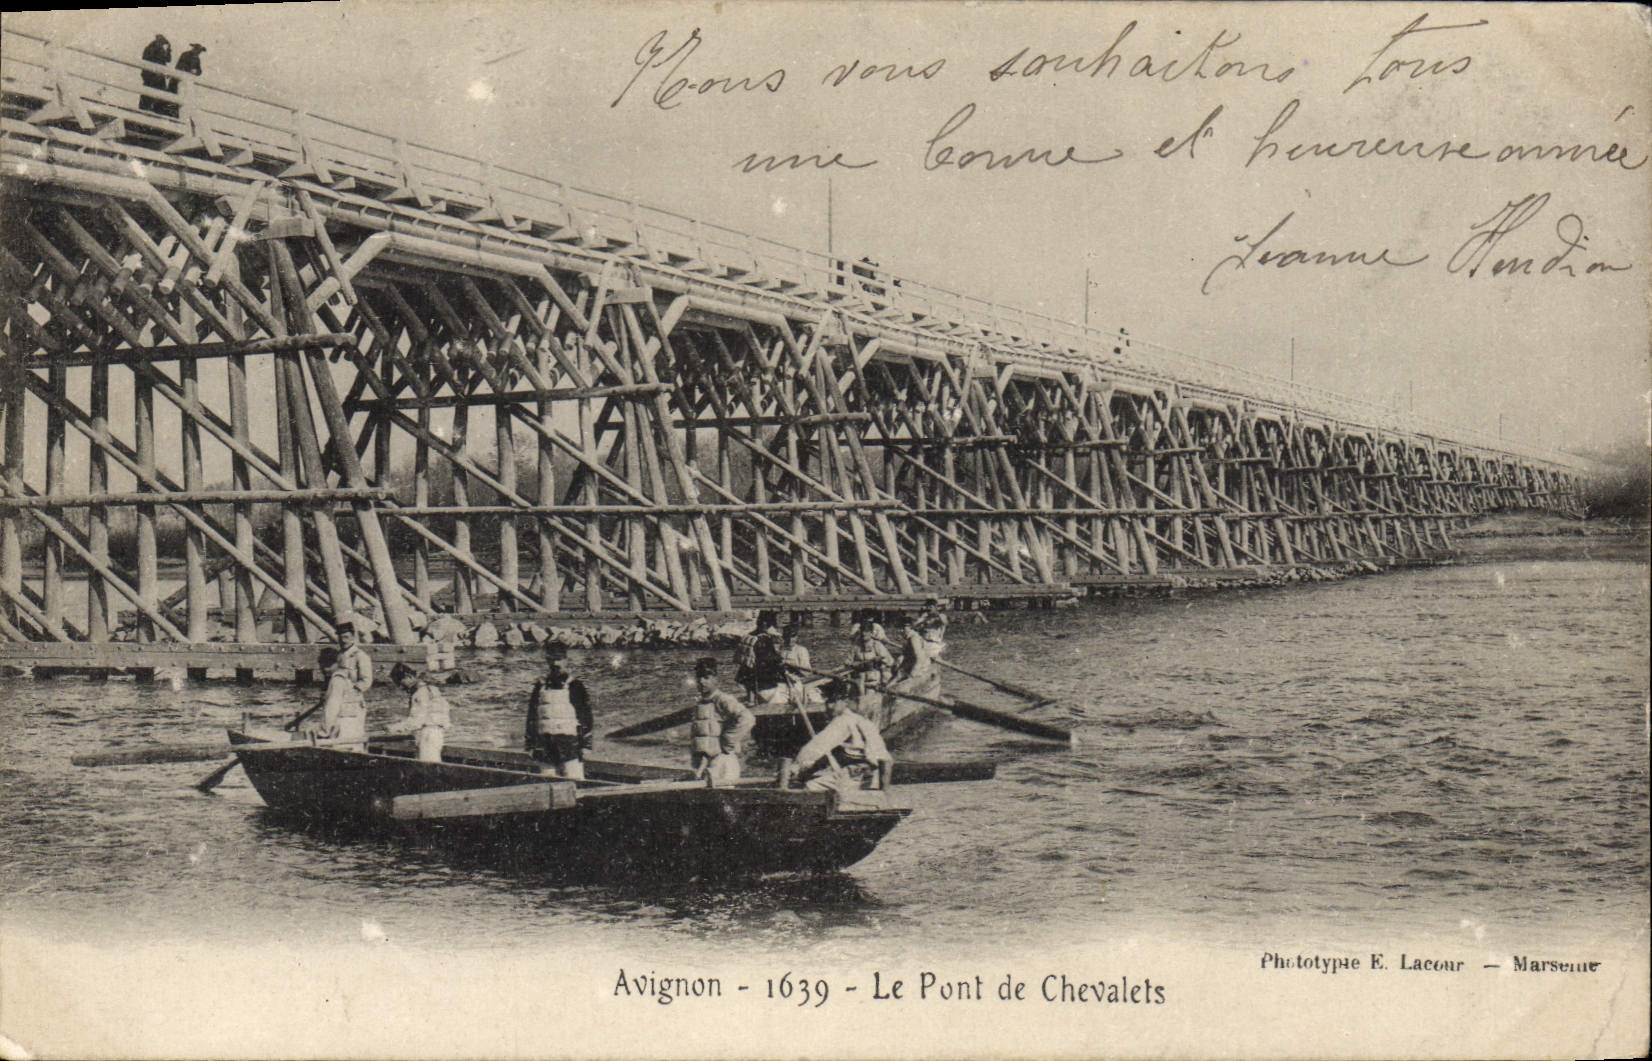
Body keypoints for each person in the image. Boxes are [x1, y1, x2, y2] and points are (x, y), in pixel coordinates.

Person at [778, 687, 894, 797]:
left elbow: (816, 748)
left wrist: (795, 768)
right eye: (827, 702)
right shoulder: (864, 721)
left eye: (833, 702)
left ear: (845, 702)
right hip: (875, 777)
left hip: (855, 776)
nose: (828, 707)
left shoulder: (843, 720)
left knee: (809, 788)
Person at [525, 643, 592, 779]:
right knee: (547, 782)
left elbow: (586, 716)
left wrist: (586, 745)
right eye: (552, 659)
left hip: (569, 745)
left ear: (566, 660)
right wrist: (530, 744)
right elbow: (531, 716)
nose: (556, 663)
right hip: (544, 744)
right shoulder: (540, 686)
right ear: (547, 661)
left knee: (574, 782)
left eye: (559, 659)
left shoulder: (575, 686)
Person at [690, 657, 754, 786]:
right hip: (706, 763)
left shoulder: (723, 699)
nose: (701, 682)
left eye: (706, 678)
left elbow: (747, 718)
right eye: (699, 678)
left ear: (716, 679)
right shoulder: (699, 703)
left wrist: (728, 740)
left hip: (723, 760)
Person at [317, 618, 373, 751]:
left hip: (352, 700)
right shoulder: (339, 655)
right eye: (341, 637)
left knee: (349, 732)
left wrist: (351, 691)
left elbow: (366, 681)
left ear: (353, 637)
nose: (343, 640)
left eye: (346, 637)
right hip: (339, 694)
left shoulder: (360, 656)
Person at [389, 663, 451, 763]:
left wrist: (395, 728)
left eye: (400, 683)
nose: (400, 687)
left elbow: (416, 721)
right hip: (438, 732)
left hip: (426, 735)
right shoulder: (433, 690)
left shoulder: (419, 695)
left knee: (427, 767)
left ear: (409, 677)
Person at [849, 613, 896, 727]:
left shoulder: (877, 645)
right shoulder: (856, 646)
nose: (864, 635)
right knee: (855, 698)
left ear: (871, 633)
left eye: (867, 632)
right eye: (862, 632)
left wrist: (879, 664)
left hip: (873, 679)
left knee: (870, 701)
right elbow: (848, 661)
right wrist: (855, 664)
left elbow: (889, 662)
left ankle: (869, 724)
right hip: (859, 679)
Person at [734, 609, 785, 704]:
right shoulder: (763, 639)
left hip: (745, 678)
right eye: (771, 625)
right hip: (759, 681)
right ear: (765, 624)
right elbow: (770, 661)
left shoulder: (748, 636)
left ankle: (751, 699)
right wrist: (781, 664)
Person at [778, 620, 824, 708]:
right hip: (784, 679)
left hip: (798, 679)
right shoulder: (781, 650)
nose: (791, 639)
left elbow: (806, 672)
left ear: (796, 637)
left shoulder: (801, 650)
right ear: (784, 637)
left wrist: (791, 669)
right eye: (788, 637)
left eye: (793, 636)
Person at [139, 34, 173, 116]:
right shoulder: (154, 48)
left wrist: (168, 50)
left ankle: (148, 112)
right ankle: (150, 112)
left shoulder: (155, 48)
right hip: (153, 76)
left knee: (153, 96)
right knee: (153, 96)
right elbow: (166, 59)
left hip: (155, 76)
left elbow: (167, 60)